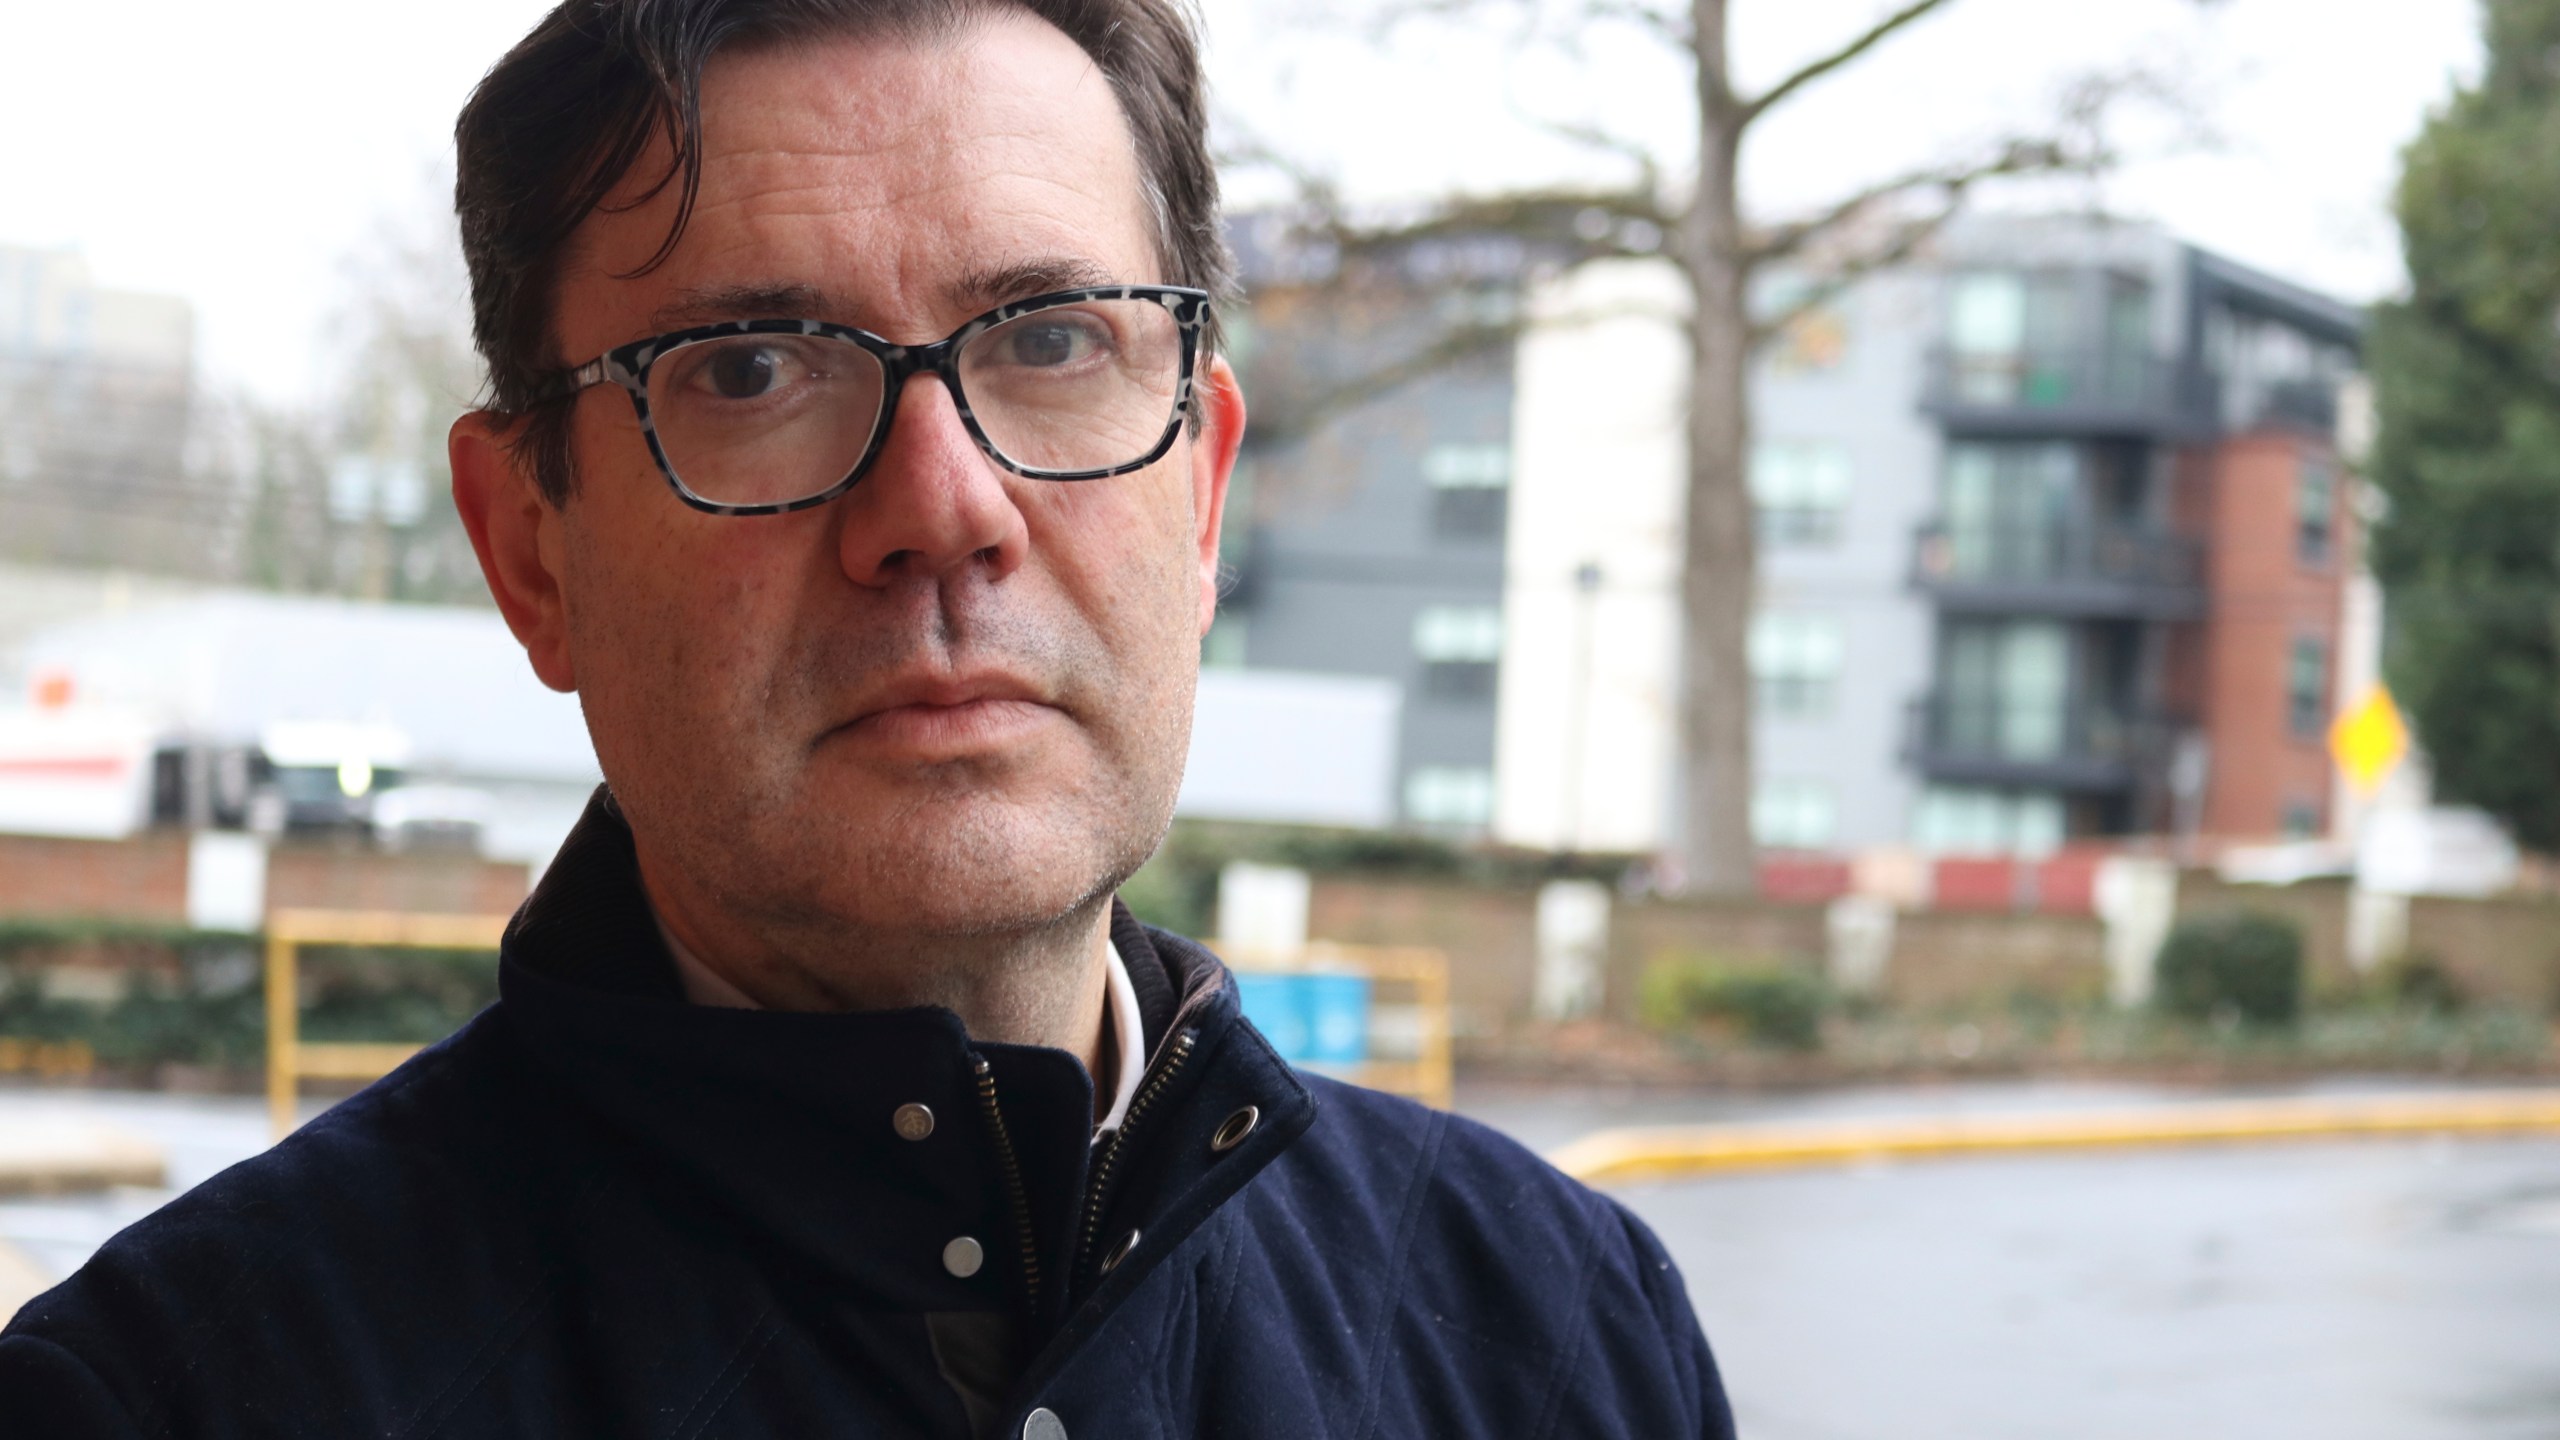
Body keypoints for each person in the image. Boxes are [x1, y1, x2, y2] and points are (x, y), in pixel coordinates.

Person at [0, 1, 1733, 1435]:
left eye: (1051, 338)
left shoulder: (1560, 1334)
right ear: (532, 553)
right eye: (751, 369)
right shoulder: (173, 1399)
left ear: (1201, 498)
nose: (944, 503)